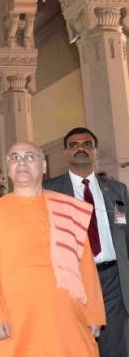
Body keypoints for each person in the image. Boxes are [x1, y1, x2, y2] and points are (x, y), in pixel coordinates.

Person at [0, 141, 105, 356]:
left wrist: (94, 313)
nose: (21, 162)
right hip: (16, 318)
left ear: (43, 166)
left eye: (29, 156)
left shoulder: (69, 208)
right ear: (9, 169)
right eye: (14, 158)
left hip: (68, 316)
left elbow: (86, 265)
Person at [44, 127, 129, 357]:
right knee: (77, 345)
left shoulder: (117, 190)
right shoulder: (49, 191)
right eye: (74, 145)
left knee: (115, 346)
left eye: (87, 144)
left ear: (96, 151)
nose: (81, 148)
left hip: (113, 281)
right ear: (65, 152)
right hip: (73, 281)